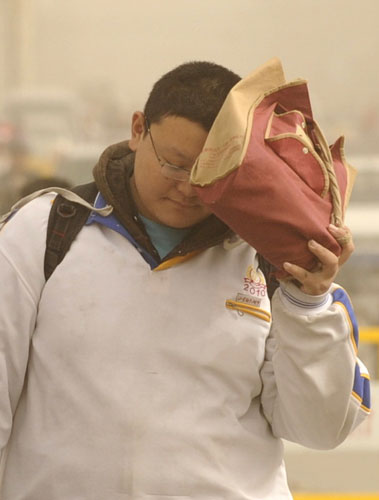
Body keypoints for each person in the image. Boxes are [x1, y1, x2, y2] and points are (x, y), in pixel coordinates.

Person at [0, 61, 370, 499]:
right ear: (138, 130)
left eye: (211, 174)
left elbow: (319, 429)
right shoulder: (45, 232)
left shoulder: (270, 258)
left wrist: (309, 303)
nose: (189, 189)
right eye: (175, 165)